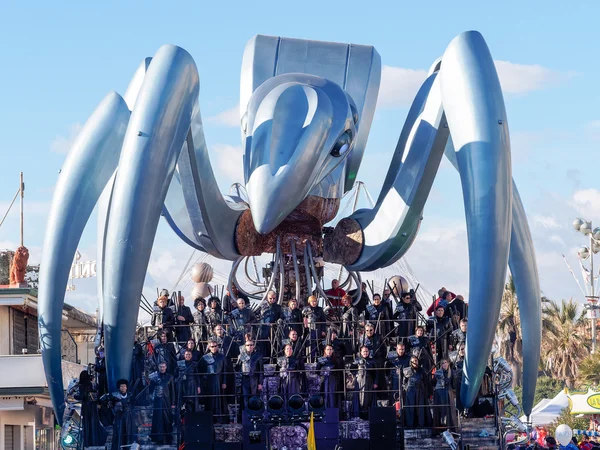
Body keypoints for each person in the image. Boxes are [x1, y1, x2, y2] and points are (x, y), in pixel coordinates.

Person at [76, 370, 107, 447]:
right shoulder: (92, 384)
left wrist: (75, 396)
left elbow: (82, 396)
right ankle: (95, 441)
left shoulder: (82, 385)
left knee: (87, 425)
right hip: (93, 407)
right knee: (93, 424)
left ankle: (88, 442)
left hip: (86, 408)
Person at [200, 339, 227, 422]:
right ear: (209, 347)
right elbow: (202, 370)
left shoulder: (222, 357)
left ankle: (219, 418)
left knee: (219, 399)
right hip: (209, 380)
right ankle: (210, 418)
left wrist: (224, 382)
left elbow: (225, 371)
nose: (214, 348)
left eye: (215, 346)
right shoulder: (205, 357)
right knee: (210, 399)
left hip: (219, 379)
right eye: (212, 346)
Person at [149, 361, 175, 445]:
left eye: (163, 366)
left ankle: (168, 438)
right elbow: (150, 391)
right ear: (158, 367)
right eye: (160, 367)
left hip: (167, 401)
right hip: (157, 401)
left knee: (167, 419)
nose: (162, 368)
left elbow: (173, 391)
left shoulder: (170, 377)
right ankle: (158, 438)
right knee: (158, 419)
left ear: (166, 367)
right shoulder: (154, 377)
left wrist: (173, 402)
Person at [350, 346, 378, 418]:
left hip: (369, 382)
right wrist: (356, 374)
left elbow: (376, 373)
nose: (365, 353)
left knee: (368, 399)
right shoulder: (357, 360)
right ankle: (358, 415)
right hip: (359, 382)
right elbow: (351, 369)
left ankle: (368, 416)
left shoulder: (372, 361)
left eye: (366, 351)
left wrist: (375, 382)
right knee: (359, 399)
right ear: (361, 352)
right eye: (364, 351)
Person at [402, 356, 429, 428]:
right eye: (413, 361)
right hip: (410, 391)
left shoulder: (422, 371)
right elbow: (404, 382)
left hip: (420, 391)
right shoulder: (406, 371)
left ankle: (421, 424)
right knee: (410, 408)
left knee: (420, 409)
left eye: (416, 361)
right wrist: (406, 389)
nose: (415, 362)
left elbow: (426, 382)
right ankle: (410, 424)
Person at [109, 379, 136, 450]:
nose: (123, 388)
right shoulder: (115, 397)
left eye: (124, 386)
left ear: (126, 387)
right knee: (119, 433)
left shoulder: (130, 396)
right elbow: (111, 407)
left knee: (128, 432)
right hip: (119, 418)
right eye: (121, 386)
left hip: (128, 418)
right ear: (119, 387)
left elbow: (133, 406)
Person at [236, 340, 263, 409]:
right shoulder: (241, 356)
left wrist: (260, 383)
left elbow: (261, 370)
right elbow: (237, 368)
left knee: (254, 397)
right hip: (245, 378)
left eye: (251, 345)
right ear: (245, 346)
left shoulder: (258, 355)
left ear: (253, 346)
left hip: (254, 379)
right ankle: (246, 414)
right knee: (245, 397)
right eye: (248, 345)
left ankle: (254, 413)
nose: (250, 347)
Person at [432, 359, 455, 430]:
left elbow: (453, 384)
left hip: (448, 393)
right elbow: (433, 383)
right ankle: (440, 428)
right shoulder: (437, 373)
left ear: (448, 364)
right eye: (443, 363)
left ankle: (450, 428)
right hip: (439, 394)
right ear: (441, 365)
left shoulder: (452, 373)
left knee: (449, 411)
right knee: (440, 411)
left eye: (446, 362)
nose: (444, 364)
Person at [259, 290, 282, 358]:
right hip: (264, 329)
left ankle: (274, 359)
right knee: (265, 345)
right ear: (267, 298)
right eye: (270, 298)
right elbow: (256, 316)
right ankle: (265, 359)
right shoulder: (262, 306)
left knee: (274, 344)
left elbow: (281, 316)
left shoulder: (278, 307)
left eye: (274, 298)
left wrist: (280, 320)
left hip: (275, 329)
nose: (272, 300)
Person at [177, 349, 201, 413]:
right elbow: (176, 373)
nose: (188, 356)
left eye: (189, 354)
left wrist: (198, 386)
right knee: (183, 400)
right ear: (184, 355)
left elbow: (197, 375)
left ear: (192, 355)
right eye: (186, 354)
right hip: (183, 384)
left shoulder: (195, 364)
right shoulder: (180, 363)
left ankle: (193, 415)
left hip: (192, 384)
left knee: (192, 400)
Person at [317, 344, 340, 408]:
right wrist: (323, 372)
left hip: (333, 380)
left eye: (330, 349)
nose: (329, 351)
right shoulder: (321, 360)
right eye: (327, 349)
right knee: (324, 395)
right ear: (325, 351)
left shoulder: (336, 360)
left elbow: (338, 371)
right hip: (324, 380)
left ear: (332, 351)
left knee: (332, 396)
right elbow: (317, 371)